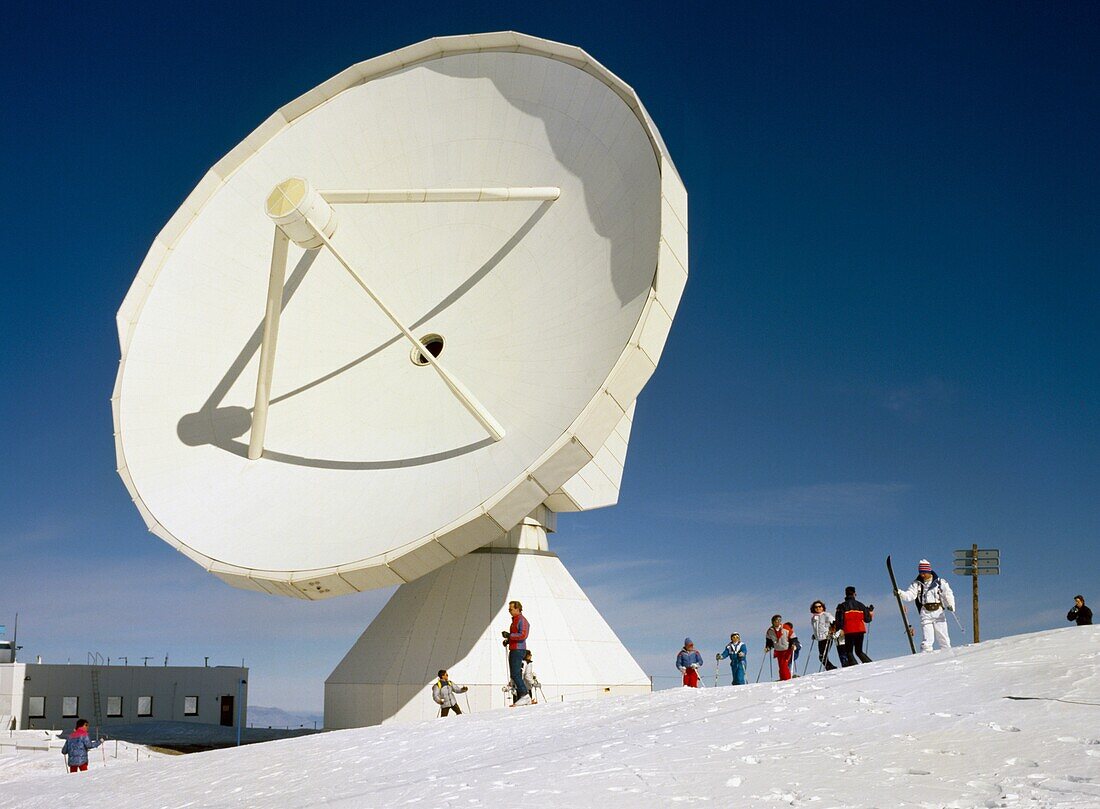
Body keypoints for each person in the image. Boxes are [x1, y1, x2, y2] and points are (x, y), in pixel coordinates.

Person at [897, 560, 955, 652]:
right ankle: (926, 656)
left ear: (928, 571)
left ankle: (947, 655)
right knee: (927, 639)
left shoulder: (940, 582)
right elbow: (910, 595)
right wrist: (900, 593)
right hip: (925, 612)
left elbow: (947, 594)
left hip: (938, 612)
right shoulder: (917, 583)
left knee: (943, 637)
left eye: (924, 573)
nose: (922, 575)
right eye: (920, 573)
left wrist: (950, 604)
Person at [501, 600, 532, 706]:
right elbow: (516, 635)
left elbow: (523, 635)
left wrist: (510, 636)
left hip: (518, 649)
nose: (509, 611)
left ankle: (525, 695)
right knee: (515, 673)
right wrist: (508, 641)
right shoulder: (515, 620)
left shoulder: (522, 620)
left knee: (515, 673)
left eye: (511, 609)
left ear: (517, 609)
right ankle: (521, 696)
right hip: (514, 648)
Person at [835, 586, 874, 665]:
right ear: (854, 594)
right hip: (860, 630)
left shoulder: (842, 606)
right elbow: (867, 620)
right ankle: (870, 664)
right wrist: (870, 613)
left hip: (849, 630)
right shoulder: (861, 605)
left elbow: (839, 620)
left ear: (845, 594)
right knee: (859, 651)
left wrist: (839, 629)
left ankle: (854, 667)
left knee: (849, 651)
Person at [809, 600, 837, 671]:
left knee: (822, 656)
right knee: (821, 657)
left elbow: (834, 622)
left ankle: (830, 668)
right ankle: (830, 667)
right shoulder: (813, 618)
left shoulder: (826, 615)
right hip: (819, 639)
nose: (818, 608)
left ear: (822, 607)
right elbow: (816, 628)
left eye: (819, 606)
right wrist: (814, 635)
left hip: (827, 637)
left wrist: (832, 631)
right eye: (816, 607)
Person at [765, 615, 794, 681]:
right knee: (781, 665)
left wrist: (793, 644)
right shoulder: (770, 631)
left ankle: (787, 679)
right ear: (773, 622)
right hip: (778, 650)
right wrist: (768, 647)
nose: (778, 622)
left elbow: (793, 637)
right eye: (776, 621)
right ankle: (782, 678)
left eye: (779, 620)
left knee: (784, 665)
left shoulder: (786, 628)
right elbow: (769, 641)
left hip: (787, 649)